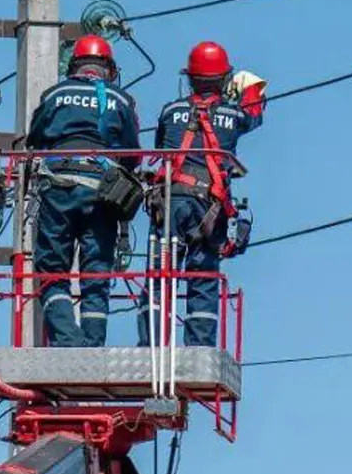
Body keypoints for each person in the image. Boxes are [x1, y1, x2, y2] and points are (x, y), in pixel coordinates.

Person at [137, 40, 266, 348]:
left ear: (190, 78)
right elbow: (255, 113)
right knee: (203, 278)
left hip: (168, 202)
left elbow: (161, 145)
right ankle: (199, 347)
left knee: (159, 276)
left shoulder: (170, 110)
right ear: (224, 80)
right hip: (208, 208)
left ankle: (151, 347)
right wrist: (249, 89)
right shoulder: (233, 116)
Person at [25, 34, 142, 347]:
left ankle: (66, 341)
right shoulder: (120, 100)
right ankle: (91, 346)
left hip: (58, 188)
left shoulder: (55, 94)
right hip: (101, 193)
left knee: (51, 270)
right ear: (108, 68)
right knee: (96, 273)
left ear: (74, 64)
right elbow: (133, 154)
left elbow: (34, 139)